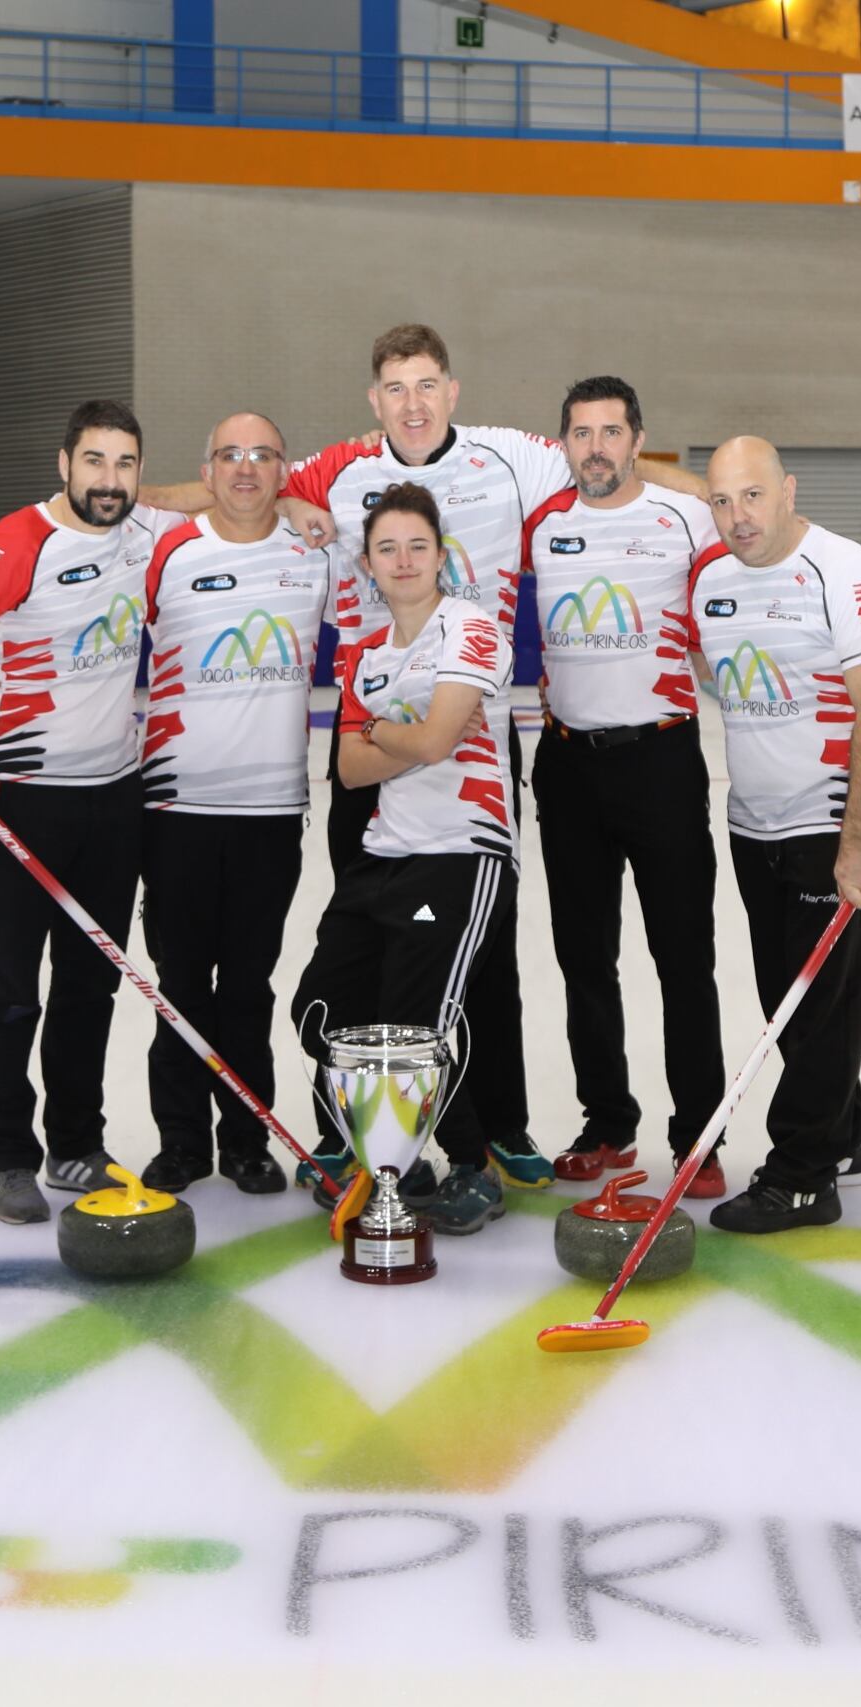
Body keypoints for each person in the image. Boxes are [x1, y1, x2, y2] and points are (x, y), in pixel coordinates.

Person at [267, 325, 711, 1185]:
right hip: (366, 720)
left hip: (473, 736)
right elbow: (249, 489)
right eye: (397, 388)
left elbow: (606, 463)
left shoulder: (510, 458)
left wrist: (725, 495)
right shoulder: (342, 471)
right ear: (375, 400)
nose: (414, 403)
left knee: (485, 942)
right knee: (362, 926)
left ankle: (499, 1123)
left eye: (427, 384)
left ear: (453, 390)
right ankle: (349, 1124)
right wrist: (289, 502)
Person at [0, 400, 177, 1226]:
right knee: (13, 984)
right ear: (64, 464)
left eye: (125, 464)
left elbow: (214, 491)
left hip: (114, 793)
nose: (110, 480)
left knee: (91, 982)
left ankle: (75, 1142)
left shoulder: (141, 525)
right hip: (21, 794)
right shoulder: (22, 539)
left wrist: (288, 494)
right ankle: (8, 1155)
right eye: (94, 461)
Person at [518, 377, 732, 1197]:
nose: (597, 448)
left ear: (639, 440)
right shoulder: (542, 523)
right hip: (569, 763)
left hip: (661, 760)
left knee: (684, 956)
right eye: (582, 433)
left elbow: (741, 523)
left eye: (612, 432)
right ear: (564, 445)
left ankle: (700, 1135)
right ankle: (608, 1122)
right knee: (583, 957)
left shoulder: (687, 516)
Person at [288, 484, 517, 1237]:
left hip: (460, 852)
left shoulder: (469, 627)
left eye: (418, 545)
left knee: (416, 1028)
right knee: (322, 1011)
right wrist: (402, 736)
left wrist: (384, 732)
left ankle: (474, 1165)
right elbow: (350, 771)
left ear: (442, 556)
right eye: (387, 548)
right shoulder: (367, 657)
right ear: (368, 564)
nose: (404, 559)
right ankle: (393, 1155)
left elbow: (436, 740)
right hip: (383, 853)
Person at [684, 437, 861, 1232]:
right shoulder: (712, 580)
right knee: (790, 999)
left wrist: (859, 839)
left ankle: (804, 1175)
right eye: (721, 500)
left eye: (752, 495)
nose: (738, 515)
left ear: (788, 491)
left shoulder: (843, 569)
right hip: (753, 824)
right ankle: (844, 1128)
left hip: (828, 820)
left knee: (822, 1002)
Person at [131, 412, 338, 1196]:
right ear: (207, 468)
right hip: (176, 809)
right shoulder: (165, 547)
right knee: (181, 984)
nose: (245, 468)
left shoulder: (314, 551)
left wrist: (296, 508)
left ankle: (247, 1140)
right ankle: (182, 1141)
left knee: (249, 985)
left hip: (270, 813)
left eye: (262, 456)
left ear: (284, 469)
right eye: (229, 455)